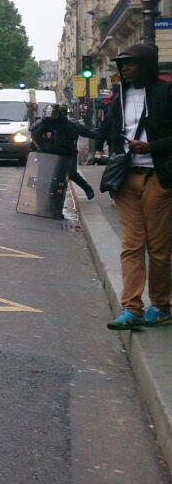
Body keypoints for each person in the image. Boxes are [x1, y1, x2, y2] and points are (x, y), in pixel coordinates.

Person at [98, 44, 172, 330]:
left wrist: (151, 146)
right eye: (121, 64)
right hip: (126, 178)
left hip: (157, 177)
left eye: (130, 64)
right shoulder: (119, 96)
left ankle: (161, 305)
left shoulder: (165, 93)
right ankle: (132, 307)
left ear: (146, 65)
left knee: (158, 248)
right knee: (131, 245)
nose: (125, 69)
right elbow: (111, 132)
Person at [31, 104, 101, 200]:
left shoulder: (69, 123)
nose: (51, 118)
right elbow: (34, 135)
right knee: (42, 177)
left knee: (71, 172)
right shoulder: (42, 123)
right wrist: (43, 124)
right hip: (47, 154)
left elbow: (84, 132)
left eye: (53, 115)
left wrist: (102, 135)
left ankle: (87, 188)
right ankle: (41, 202)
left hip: (67, 154)